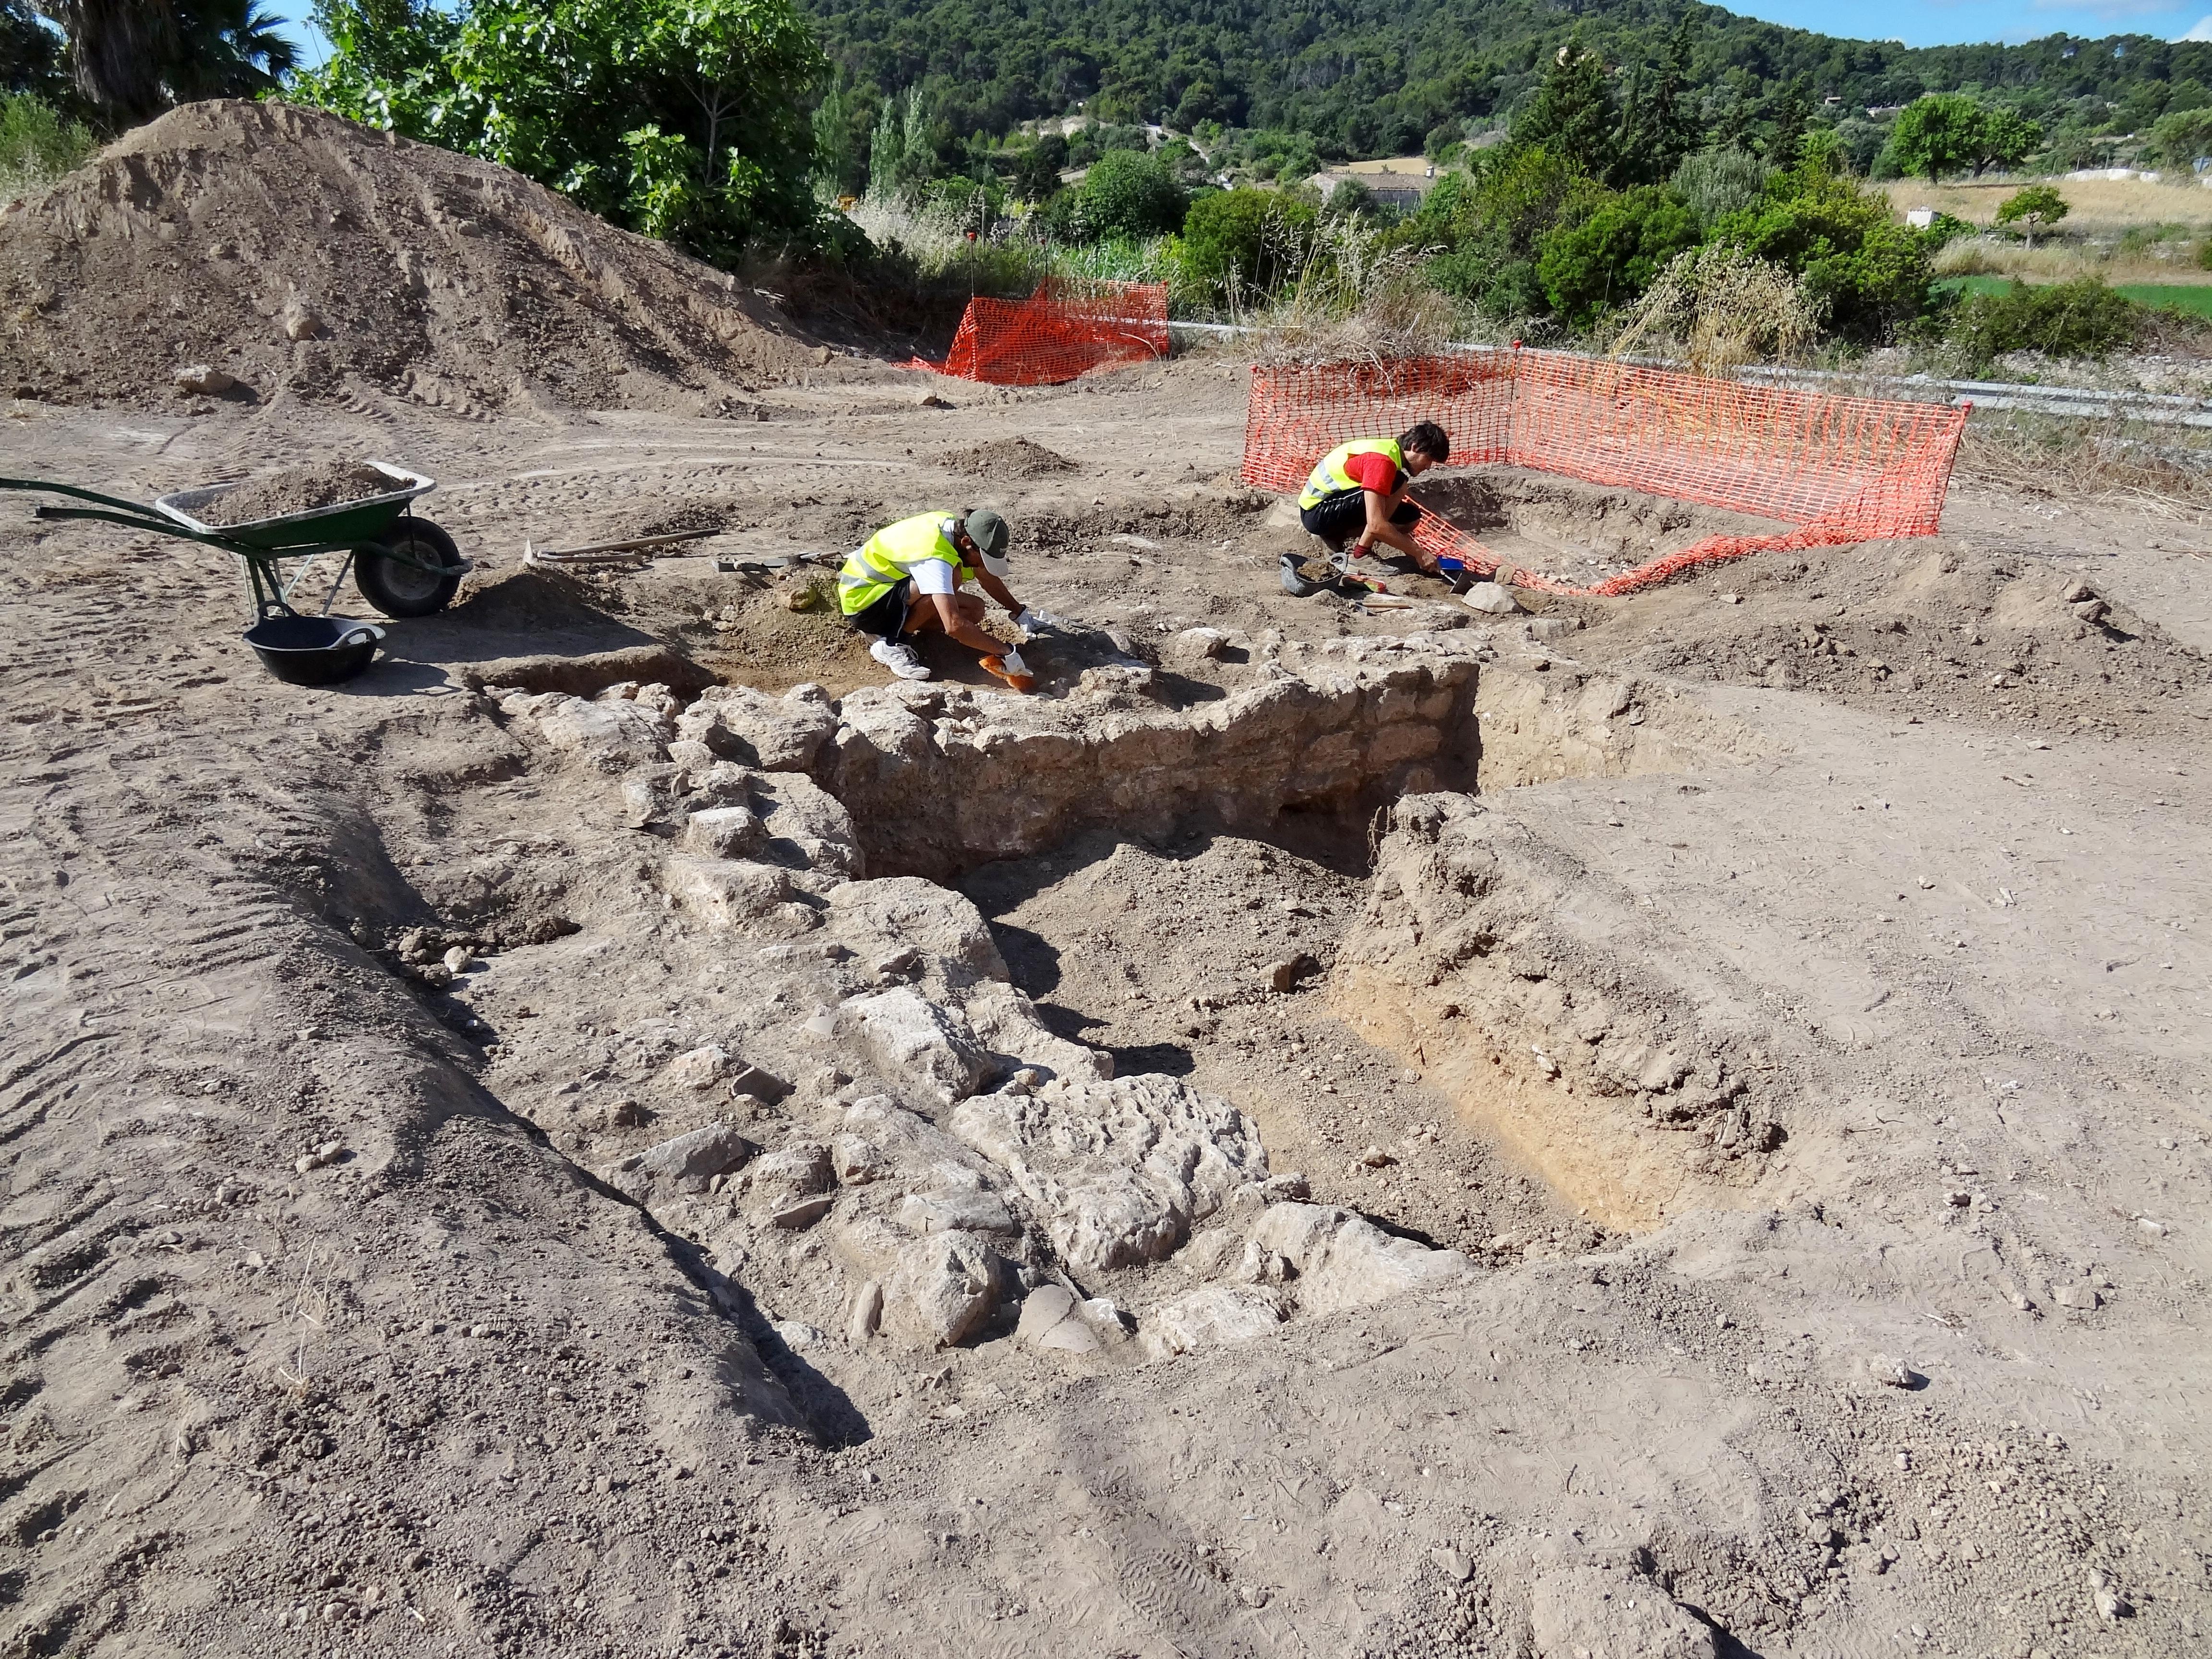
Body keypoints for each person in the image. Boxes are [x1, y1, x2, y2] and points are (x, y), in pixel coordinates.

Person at [838, 507, 1059, 686]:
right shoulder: (936, 557)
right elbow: (954, 626)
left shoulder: (952, 528)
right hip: (865, 603)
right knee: (952, 578)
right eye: (982, 557)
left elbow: (986, 578)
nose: (983, 564)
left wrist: (1019, 613)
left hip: (887, 590)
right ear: (967, 543)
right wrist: (1005, 651)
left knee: (974, 610)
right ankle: (893, 643)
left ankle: (901, 630)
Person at [1295, 421, 1451, 576]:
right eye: (1429, 459)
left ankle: (1334, 535)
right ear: (1415, 447)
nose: (1429, 467)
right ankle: (1360, 555)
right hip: (1317, 512)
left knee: (1409, 517)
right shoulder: (1382, 462)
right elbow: (1376, 524)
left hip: (1328, 506)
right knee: (1397, 485)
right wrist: (1419, 553)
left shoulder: (1390, 450)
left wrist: (1409, 547)